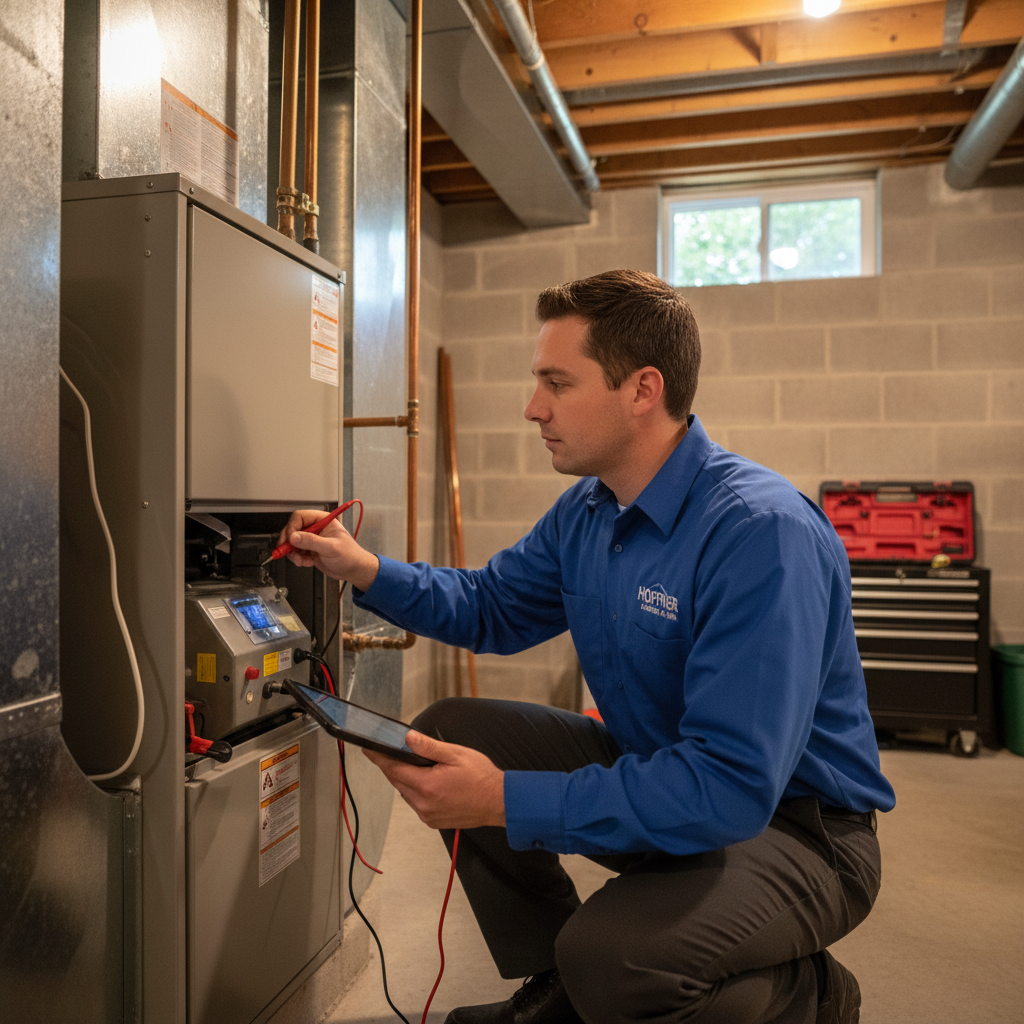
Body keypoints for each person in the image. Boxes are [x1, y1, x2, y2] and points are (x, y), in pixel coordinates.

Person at [278, 269, 895, 1024]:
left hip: (797, 830)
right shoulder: (591, 510)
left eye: (557, 383)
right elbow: (491, 606)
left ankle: (813, 999)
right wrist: (362, 566)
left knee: (613, 954)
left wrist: (502, 798)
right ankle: (553, 993)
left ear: (642, 389)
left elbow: (732, 786)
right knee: (453, 732)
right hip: (666, 772)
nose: (532, 408)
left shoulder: (760, 534)